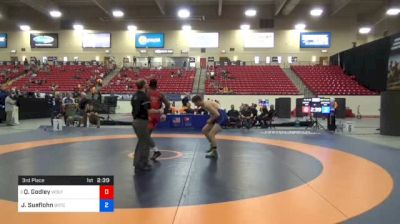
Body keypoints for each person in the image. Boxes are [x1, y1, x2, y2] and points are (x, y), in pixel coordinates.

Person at [131, 79, 163, 172]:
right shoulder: (144, 97)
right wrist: (159, 111)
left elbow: (135, 110)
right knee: (144, 144)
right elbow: (149, 110)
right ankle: (141, 164)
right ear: (144, 86)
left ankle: (139, 163)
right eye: (146, 84)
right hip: (142, 122)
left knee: (142, 143)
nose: (147, 85)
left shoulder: (134, 96)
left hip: (136, 121)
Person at [147, 79, 170, 161]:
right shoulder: (160, 94)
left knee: (145, 135)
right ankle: (152, 150)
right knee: (146, 135)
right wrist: (165, 114)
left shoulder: (147, 92)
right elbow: (168, 104)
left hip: (150, 116)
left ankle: (156, 151)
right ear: (156, 85)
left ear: (149, 85)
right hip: (155, 116)